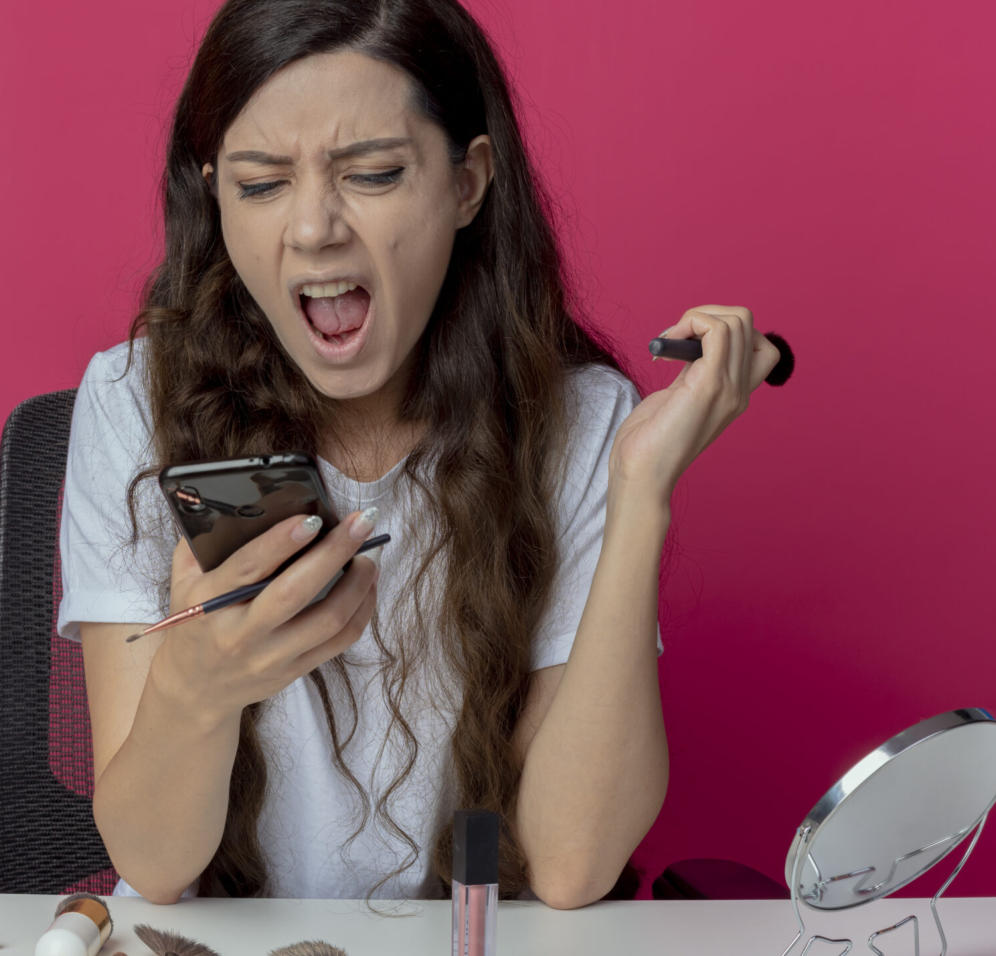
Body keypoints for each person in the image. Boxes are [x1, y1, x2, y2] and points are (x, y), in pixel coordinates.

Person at [56, 0, 781, 908]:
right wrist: (199, 685)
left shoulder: (581, 420)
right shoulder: (134, 402)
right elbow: (155, 865)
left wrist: (641, 491)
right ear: (213, 194)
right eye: (260, 184)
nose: (314, 229)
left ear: (468, 182)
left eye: (372, 173)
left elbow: (569, 865)